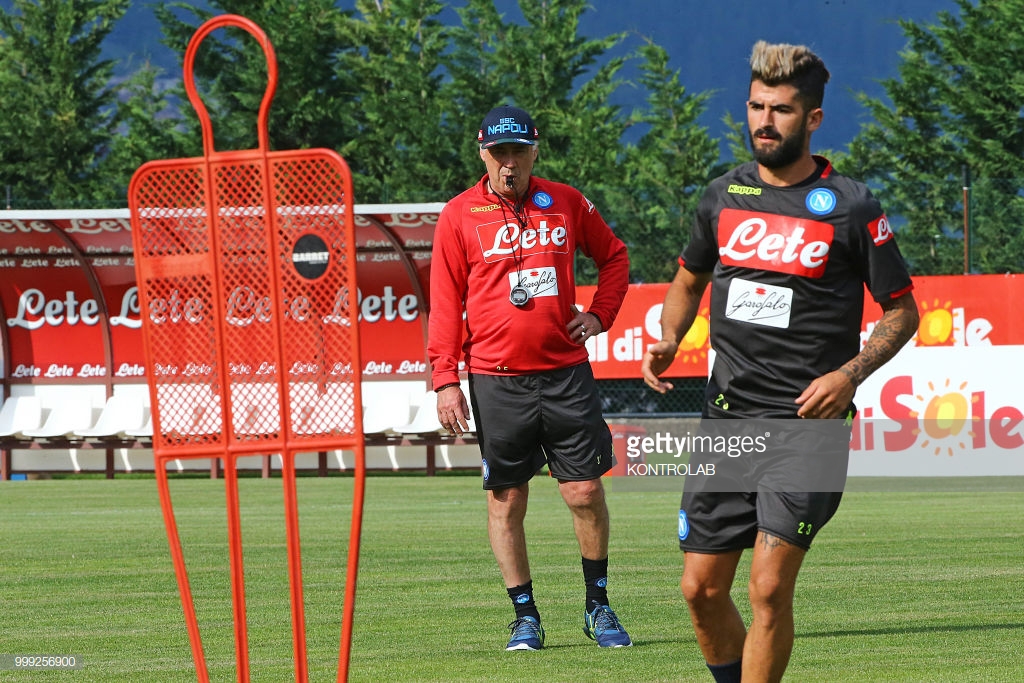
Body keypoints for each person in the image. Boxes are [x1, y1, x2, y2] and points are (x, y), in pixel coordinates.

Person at [640, 41, 919, 683]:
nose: (766, 121)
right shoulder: (723, 196)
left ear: (812, 119)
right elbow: (687, 280)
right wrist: (669, 335)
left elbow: (903, 313)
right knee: (699, 591)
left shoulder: (851, 205)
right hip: (725, 421)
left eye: (783, 110)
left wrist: (848, 375)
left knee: (767, 590)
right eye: (757, 107)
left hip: (806, 429)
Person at [427, 104, 632, 651]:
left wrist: (599, 314)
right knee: (506, 501)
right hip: (496, 381)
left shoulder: (565, 202)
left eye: (519, 152)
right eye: (500, 154)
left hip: (565, 373)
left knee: (585, 491)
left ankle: (599, 607)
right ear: (483, 154)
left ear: (534, 151)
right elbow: (445, 303)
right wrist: (445, 379)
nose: (510, 164)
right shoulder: (458, 215)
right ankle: (525, 616)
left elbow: (614, 257)